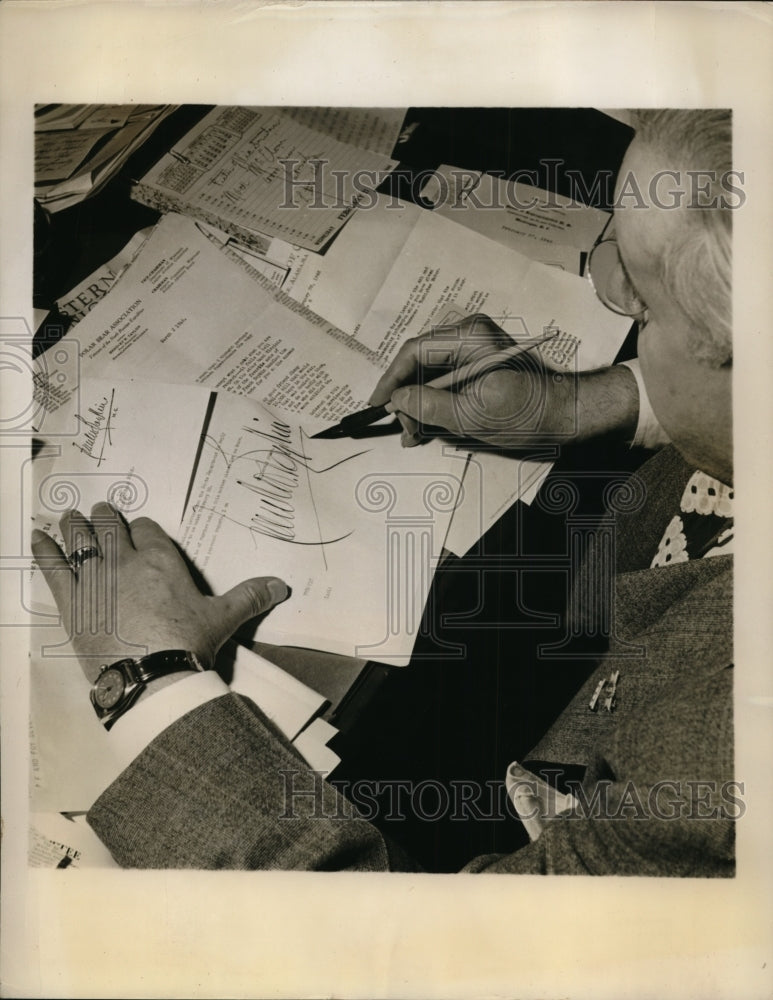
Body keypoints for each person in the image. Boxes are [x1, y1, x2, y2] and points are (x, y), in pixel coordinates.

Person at [31, 109, 735, 874]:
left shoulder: (722, 754)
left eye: (644, 302)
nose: (613, 290)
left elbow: (404, 954)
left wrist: (149, 679)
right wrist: (590, 402)